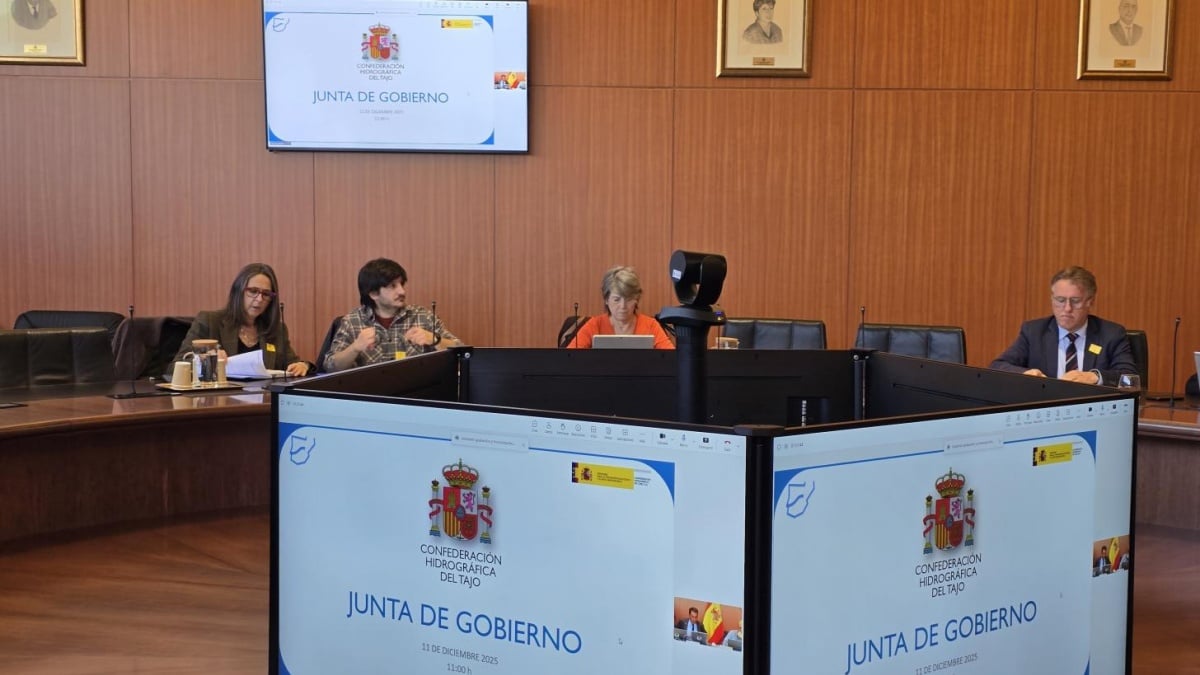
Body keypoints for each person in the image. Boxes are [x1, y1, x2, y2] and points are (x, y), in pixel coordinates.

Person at [990, 266, 1137, 386]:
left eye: (1075, 301)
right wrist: (1025, 374)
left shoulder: (1111, 334)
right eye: (1060, 300)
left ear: (1090, 302)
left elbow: (1129, 376)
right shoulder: (1034, 332)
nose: (1067, 308)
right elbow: (998, 365)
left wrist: (1094, 376)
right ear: (1052, 299)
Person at [323, 258, 461, 372]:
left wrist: (435, 340)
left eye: (401, 284)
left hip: (417, 392)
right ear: (374, 294)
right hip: (369, 394)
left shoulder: (423, 316)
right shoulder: (352, 321)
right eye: (393, 286)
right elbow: (330, 367)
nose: (402, 291)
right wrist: (355, 348)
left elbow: (462, 353)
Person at [174, 263, 311, 377]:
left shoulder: (277, 330)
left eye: (266, 294)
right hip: (218, 398)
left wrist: (302, 366)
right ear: (238, 291)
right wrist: (204, 360)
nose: (259, 299)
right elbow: (175, 367)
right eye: (253, 291)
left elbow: (292, 364)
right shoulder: (210, 321)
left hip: (263, 398)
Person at [566, 266, 674, 350]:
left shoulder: (650, 325)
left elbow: (672, 358)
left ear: (637, 299)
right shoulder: (595, 325)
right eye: (616, 300)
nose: (623, 306)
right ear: (606, 299)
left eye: (628, 299)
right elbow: (569, 357)